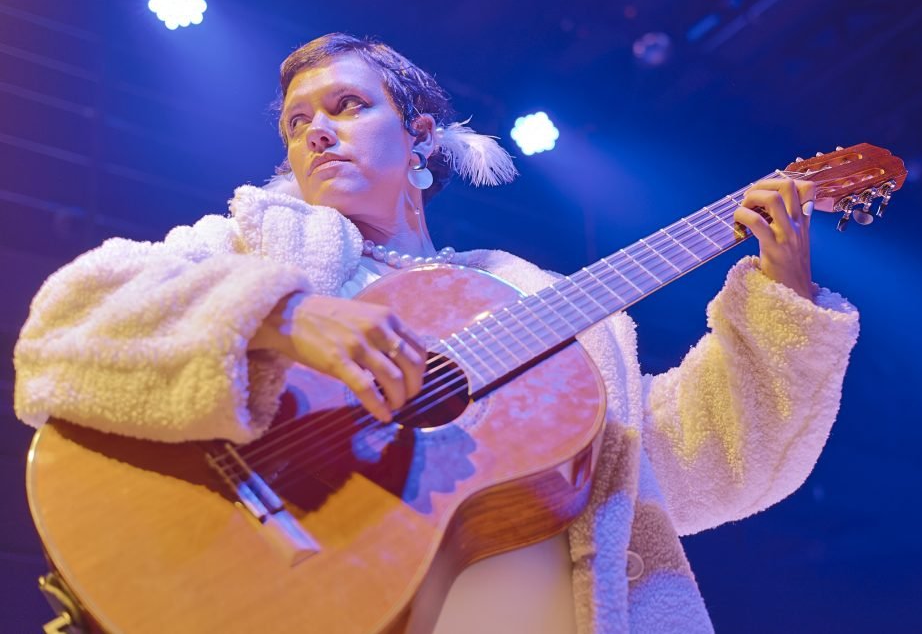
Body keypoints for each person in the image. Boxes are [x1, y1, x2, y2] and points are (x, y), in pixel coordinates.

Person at [13, 33, 860, 633]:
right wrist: (282, 314)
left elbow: (699, 461)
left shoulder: (535, 300)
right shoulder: (251, 250)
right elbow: (64, 325)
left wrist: (780, 297)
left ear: (420, 136)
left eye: (346, 104)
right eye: (297, 120)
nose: (315, 128)